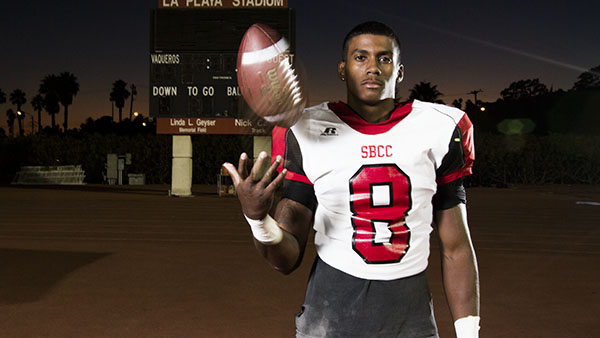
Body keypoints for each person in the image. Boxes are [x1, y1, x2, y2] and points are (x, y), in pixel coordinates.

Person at [223, 21, 480, 338]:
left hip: (410, 317)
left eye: (384, 58)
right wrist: (257, 218)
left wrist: (469, 333)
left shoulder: (441, 127)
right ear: (342, 69)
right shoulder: (305, 131)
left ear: (399, 71)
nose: (373, 68)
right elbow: (286, 259)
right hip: (329, 316)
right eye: (361, 57)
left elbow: (456, 248)